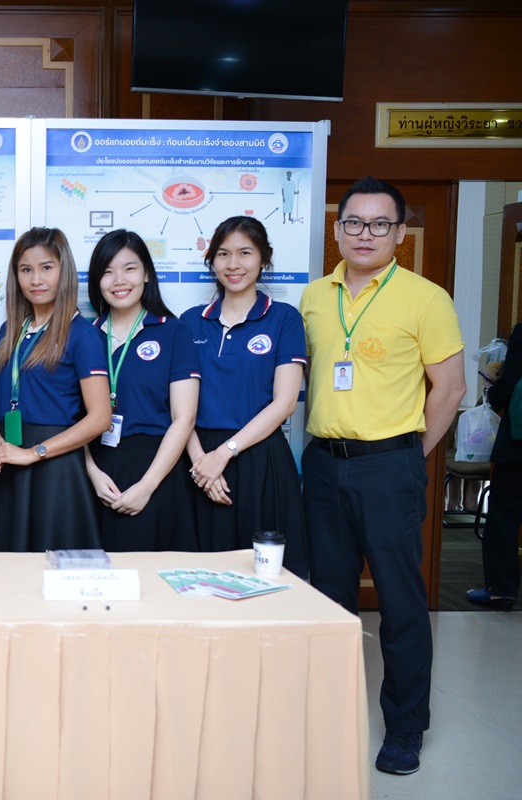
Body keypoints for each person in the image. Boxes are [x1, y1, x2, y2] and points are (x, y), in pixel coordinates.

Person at [299, 176, 464, 775]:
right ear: (337, 228)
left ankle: (404, 728)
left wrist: (410, 455)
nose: (364, 234)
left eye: (379, 224)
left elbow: (450, 389)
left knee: (399, 602)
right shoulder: (314, 297)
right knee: (327, 597)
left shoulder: (426, 298)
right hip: (323, 464)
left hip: (391, 465)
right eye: (354, 222)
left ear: (399, 233)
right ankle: (328, 717)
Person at [183, 216, 309, 576]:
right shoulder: (190, 321)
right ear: (211, 261)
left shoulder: (284, 318)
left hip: (260, 459)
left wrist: (223, 454)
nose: (233, 264)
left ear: (263, 259)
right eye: (223, 254)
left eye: (245, 253)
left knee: (265, 575)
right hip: (197, 459)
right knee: (200, 573)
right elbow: (178, 406)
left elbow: (285, 403)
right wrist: (202, 464)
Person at [0, 227, 112, 551]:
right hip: (6, 459)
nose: (36, 279)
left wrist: (33, 453)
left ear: (63, 271)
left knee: (50, 565)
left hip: (54, 465)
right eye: (26, 270)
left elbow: (100, 418)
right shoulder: (9, 330)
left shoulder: (81, 334)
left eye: (46, 268)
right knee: (7, 566)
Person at [83, 229, 200, 551]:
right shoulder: (83, 336)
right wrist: (91, 473)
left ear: (146, 273)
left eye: (129, 268)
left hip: (157, 470)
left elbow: (184, 418)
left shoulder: (174, 332)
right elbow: (69, 417)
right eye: (108, 272)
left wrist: (147, 486)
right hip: (96, 473)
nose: (119, 280)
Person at [466, 320, 522, 610]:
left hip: (518, 447)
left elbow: (506, 390)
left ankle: (501, 590)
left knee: (503, 516)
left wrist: (491, 384)